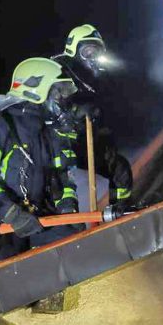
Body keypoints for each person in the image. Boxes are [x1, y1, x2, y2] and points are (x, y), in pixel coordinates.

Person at [0, 57, 81, 260]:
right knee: (9, 266)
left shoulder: (47, 135)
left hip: (33, 217)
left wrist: (68, 209)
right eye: (56, 92)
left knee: (74, 245)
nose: (61, 100)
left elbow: (63, 177)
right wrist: (11, 214)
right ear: (36, 90)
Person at [52, 24, 133, 207]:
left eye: (96, 52)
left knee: (120, 171)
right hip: (59, 145)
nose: (93, 57)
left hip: (83, 139)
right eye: (87, 51)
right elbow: (50, 108)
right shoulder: (58, 72)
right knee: (62, 189)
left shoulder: (95, 78)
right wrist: (76, 112)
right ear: (73, 51)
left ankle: (120, 210)